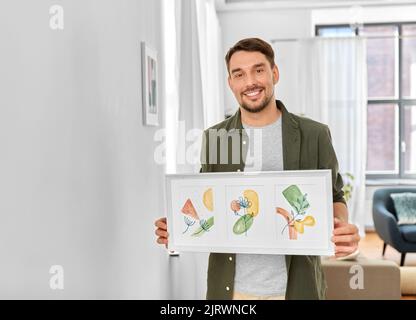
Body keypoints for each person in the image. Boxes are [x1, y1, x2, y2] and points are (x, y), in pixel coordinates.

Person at [155, 38, 360, 300]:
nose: (250, 82)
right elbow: (209, 202)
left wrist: (341, 228)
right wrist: (177, 226)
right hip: (232, 291)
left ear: (274, 73)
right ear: (231, 83)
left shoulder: (314, 134)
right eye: (239, 74)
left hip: (295, 289)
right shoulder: (216, 138)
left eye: (258, 70)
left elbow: (334, 196)